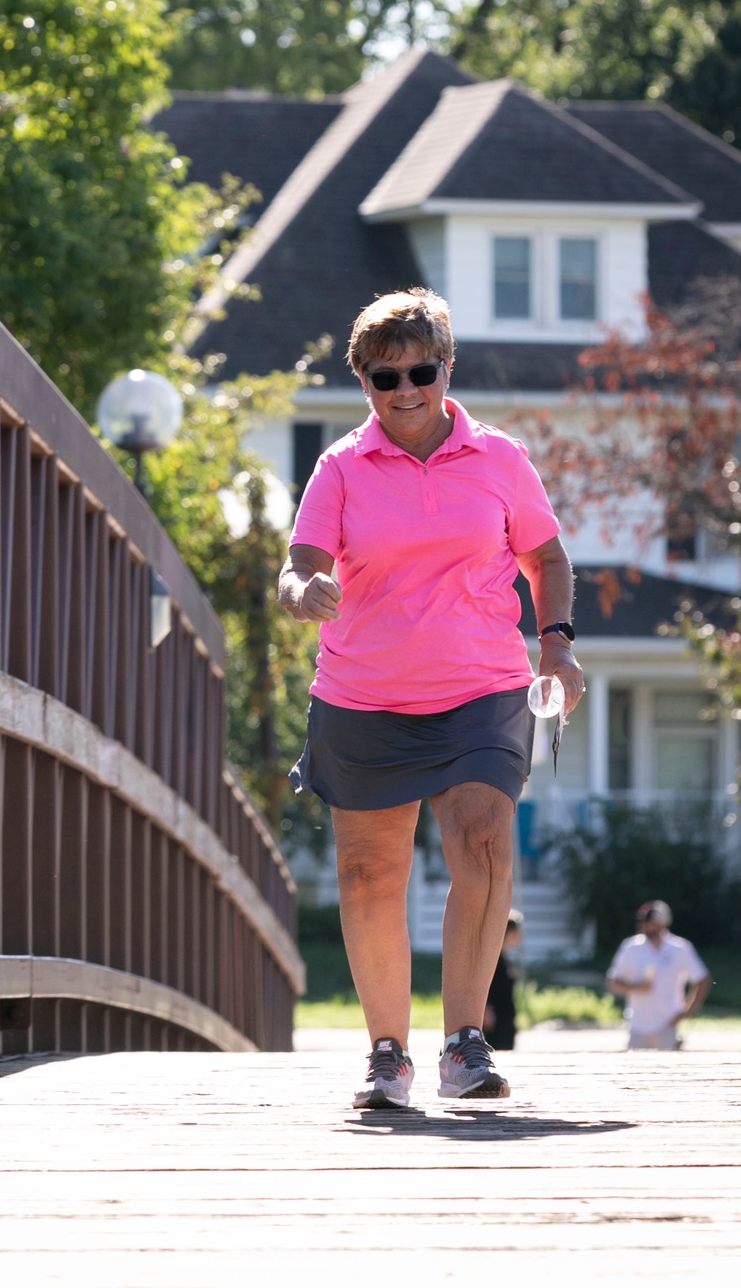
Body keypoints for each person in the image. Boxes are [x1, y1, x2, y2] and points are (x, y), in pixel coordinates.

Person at [278, 289, 584, 1110]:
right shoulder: (341, 466)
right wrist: (303, 588)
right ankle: (387, 1054)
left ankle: (465, 1042)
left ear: (447, 367)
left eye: (421, 371)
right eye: (386, 377)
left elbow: (546, 559)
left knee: (483, 841)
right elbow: (300, 560)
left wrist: (555, 644)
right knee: (370, 871)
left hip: (480, 688)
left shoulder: (501, 460)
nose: (405, 390)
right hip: (364, 693)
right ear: (364, 381)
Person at [606, 900, 712, 1050]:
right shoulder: (631, 947)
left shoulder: (680, 948)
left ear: (663, 923)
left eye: (649, 922)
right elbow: (613, 981)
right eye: (642, 922)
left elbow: (703, 980)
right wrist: (636, 987)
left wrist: (686, 1012)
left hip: (667, 1025)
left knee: (669, 1071)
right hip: (637, 1026)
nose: (644, 926)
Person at [483, 911, 524, 1052]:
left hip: (506, 1017)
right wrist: (485, 1009)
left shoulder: (504, 958)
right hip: (495, 1019)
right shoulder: (493, 960)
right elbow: (488, 986)